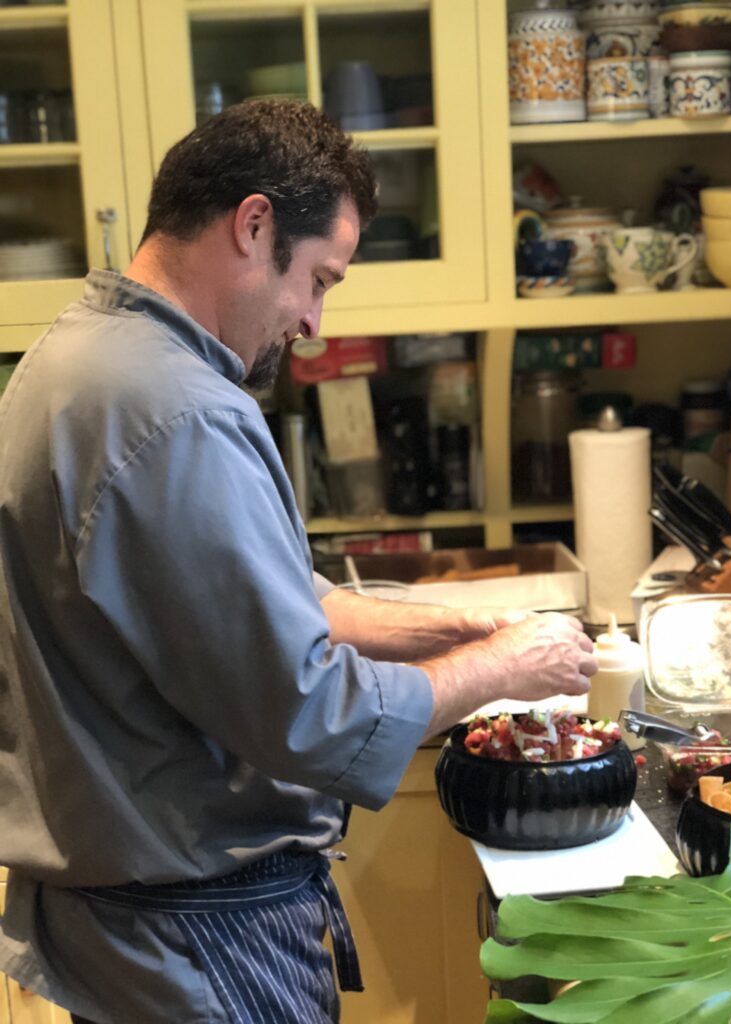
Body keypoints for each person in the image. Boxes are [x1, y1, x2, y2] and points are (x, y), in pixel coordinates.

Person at [0, 99, 596, 1024]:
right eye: (319, 279)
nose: (313, 320)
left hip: (133, 926)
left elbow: (278, 602)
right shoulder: (179, 411)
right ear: (253, 225)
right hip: (196, 938)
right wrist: (499, 670)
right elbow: (307, 708)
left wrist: (466, 622)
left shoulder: (77, 358)